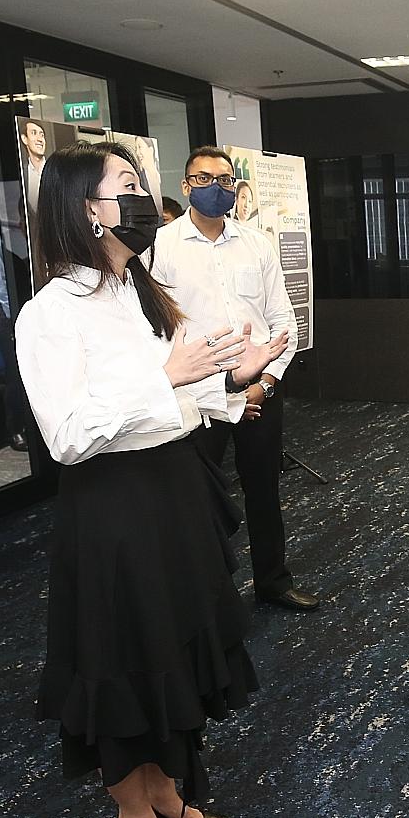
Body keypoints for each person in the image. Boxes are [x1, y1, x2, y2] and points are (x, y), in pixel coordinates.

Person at [15, 139, 286, 818]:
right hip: (113, 507)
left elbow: (178, 397)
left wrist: (231, 381)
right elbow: (67, 437)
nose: (143, 199)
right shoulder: (50, 312)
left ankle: (165, 787)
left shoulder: (139, 291)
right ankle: (133, 816)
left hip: (175, 486)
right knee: (127, 660)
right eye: (126, 186)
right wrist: (164, 378)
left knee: (176, 645)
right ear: (85, 209)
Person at [152, 146, 320, 613]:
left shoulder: (256, 243)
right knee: (201, 497)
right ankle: (211, 596)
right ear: (186, 186)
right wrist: (215, 392)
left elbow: (282, 321)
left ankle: (273, 581)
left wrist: (263, 384)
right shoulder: (160, 247)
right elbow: (157, 331)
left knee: (263, 489)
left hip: (260, 390)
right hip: (197, 397)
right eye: (204, 179)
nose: (216, 187)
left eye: (225, 179)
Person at [0, 190, 31, 451]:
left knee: (26, 372)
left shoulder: (13, 240)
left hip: (15, 311)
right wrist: (14, 324)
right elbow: (1, 287)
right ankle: (15, 430)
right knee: (15, 373)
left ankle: (27, 426)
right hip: (5, 313)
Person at [20, 119, 48, 218]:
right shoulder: (22, 175)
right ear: (24, 139)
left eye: (42, 135)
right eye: (34, 133)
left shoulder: (56, 171)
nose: (40, 139)